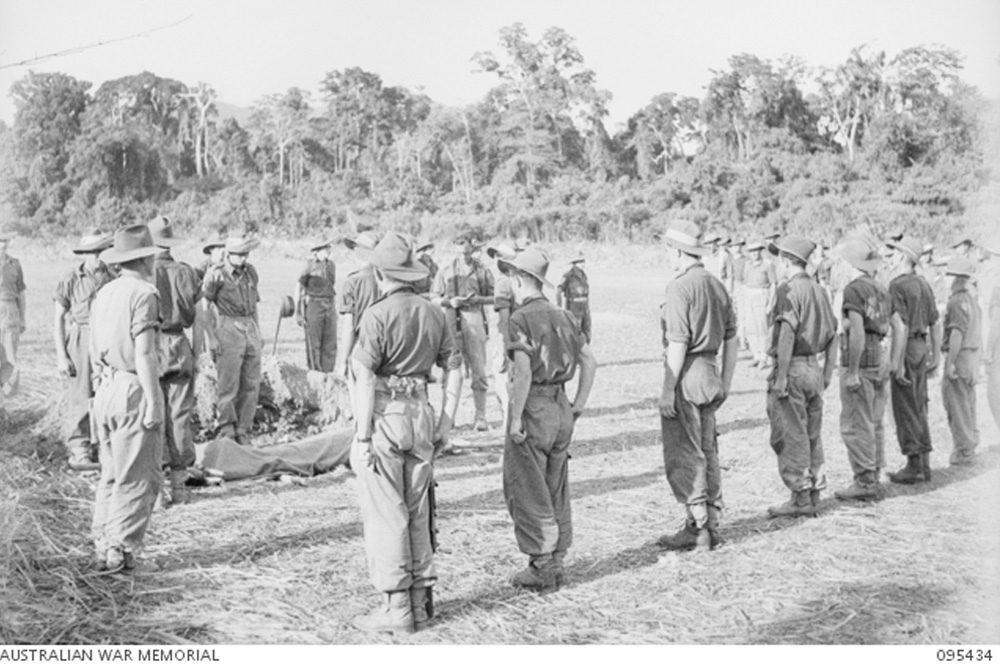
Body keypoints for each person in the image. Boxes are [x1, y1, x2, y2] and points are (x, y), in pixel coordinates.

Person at [349, 232, 462, 635]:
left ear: (381, 273)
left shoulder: (376, 315)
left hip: (385, 414)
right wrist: (446, 422)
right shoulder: (435, 313)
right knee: (418, 510)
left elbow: (363, 375)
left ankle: (397, 609)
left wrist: (362, 436)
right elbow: (455, 368)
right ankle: (420, 602)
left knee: (387, 513)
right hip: (422, 415)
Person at [499, 247, 596, 588]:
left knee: (527, 486)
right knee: (556, 485)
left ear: (518, 279)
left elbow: (522, 373)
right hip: (561, 406)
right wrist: (579, 403)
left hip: (534, 406)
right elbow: (590, 361)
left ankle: (541, 565)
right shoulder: (564, 315)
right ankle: (557, 559)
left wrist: (514, 421)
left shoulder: (520, 318)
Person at [655, 220, 737, 550]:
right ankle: (712, 522)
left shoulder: (679, 287)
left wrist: (666, 389)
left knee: (685, 453)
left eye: (668, 252)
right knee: (708, 450)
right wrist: (726, 381)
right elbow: (732, 339)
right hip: (711, 372)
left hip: (687, 373)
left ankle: (697, 526)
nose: (667, 258)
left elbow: (677, 343)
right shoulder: (716, 285)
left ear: (677, 251)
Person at [89, 224, 164, 572]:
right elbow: (145, 354)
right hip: (133, 387)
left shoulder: (104, 293)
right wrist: (154, 400)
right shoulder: (144, 294)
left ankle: (104, 542)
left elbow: (93, 350)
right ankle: (120, 549)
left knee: (111, 472)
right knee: (138, 475)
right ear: (146, 258)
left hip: (105, 388)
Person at [765, 236, 838, 518]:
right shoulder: (820, 291)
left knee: (791, 434)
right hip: (813, 369)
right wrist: (828, 371)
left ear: (785, 260)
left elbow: (786, 335)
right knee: (812, 434)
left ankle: (800, 497)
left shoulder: (788, 290)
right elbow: (833, 335)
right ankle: (814, 490)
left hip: (793, 367)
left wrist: (781, 376)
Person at [833, 239, 892, 502]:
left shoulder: (853, 290)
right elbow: (889, 326)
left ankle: (865, 480)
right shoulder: (881, 288)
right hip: (879, 355)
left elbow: (857, 330)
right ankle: (874, 472)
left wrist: (853, 371)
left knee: (856, 423)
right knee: (875, 421)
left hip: (862, 358)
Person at [53, 229, 114, 472]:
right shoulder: (71, 279)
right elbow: (58, 318)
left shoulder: (113, 276)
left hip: (107, 336)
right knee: (81, 394)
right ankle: (80, 448)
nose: (99, 256)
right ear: (85, 254)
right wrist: (61, 355)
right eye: (94, 252)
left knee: (107, 391)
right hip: (81, 336)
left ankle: (105, 445)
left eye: (102, 251)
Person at [149, 217, 201, 505]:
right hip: (180, 344)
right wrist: (198, 352)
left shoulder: (144, 273)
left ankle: (156, 491)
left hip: (152, 345)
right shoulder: (186, 272)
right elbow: (200, 317)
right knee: (180, 417)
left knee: (153, 416)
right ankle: (179, 487)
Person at [885, 236, 941, 484]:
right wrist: (936, 354)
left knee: (905, 407)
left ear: (901, 257)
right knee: (919, 404)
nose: (892, 257)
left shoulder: (897, 285)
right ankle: (924, 463)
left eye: (895, 252)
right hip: (921, 346)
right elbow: (934, 322)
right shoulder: (924, 284)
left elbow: (901, 326)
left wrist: (896, 365)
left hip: (906, 347)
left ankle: (914, 465)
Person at [431, 230, 495, 431]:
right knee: (450, 368)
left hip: (474, 318)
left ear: (472, 250)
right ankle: (449, 417)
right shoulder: (445, 271)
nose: (464, 257)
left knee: (479, 369)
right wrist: (449, 301)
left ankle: (481, 415)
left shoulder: (482, 270)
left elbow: (495, 296)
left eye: (467, 253)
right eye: (460, 253)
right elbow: (433, 297)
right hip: (451, 320)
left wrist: (479, 300)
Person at [202, 232, 262, 445]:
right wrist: (211, 337)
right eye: (239, 254)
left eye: (246, 254)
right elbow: (204, 307)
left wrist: (258, 334)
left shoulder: (251, 273)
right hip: (228, 326)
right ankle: (226, 430)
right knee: (228, 383)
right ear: (229, 254)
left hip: (249, 326)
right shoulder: (216, 274)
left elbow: (254, 304)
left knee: (251, 383)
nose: (244, 258)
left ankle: (243, 430)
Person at [941, 256, 982, 466]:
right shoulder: (972, 300)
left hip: (961, 355)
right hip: (972, 356)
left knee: (957, 405)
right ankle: (969, 445)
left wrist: (950, 363)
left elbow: (956, 334)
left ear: (956, 278)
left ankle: (964, 451)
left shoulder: (957, 301)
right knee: (968, 404)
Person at [335, 231, 381, 411]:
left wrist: (343, 361)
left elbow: (348, 327)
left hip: (363, 345)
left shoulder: (353, 281)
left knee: (360, 398)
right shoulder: (389, 278)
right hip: (390, 345)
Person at [486, 242, 520, 433]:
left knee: (503, 383)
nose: (497, 261)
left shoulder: (502, 282)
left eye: (500, 257)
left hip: (505, 336)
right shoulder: (521, 280)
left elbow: (504, 318)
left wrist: (507, 343)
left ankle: (508, 425)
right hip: (523, 337)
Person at [296, 239, 338, 372]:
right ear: (317, 251)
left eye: (329, 248)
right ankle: (315, 375)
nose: (328, 251)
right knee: (313, 344)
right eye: (325, 248)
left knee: (330, 344)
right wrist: (298, 313)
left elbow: (331, 286)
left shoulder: (331, 265)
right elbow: (299, 288)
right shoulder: (308, 265)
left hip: (330, 305)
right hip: (314, 305)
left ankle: (328, 376)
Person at [0, 230, 26, 396]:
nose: (2, 244)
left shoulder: (15, 264)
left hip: (10, 312)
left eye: (5, 241)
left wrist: (23, 319)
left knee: (10, 358)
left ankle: (5, 403)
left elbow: (21, 294)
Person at [743, 241, 777, 367]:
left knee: (763, 327)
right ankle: (756, 355)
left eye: (756, 250)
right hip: (749, 294)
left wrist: (770, 303)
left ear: (761, 251)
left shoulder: (768, 265)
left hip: (762, 294)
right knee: (751, 327)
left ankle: (764, 356)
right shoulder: (747, 265)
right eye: (752, 251)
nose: (754, 253)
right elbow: (745, 282)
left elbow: (773, 284)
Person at [193, 232, 226, 358]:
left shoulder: (228, 268)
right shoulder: (201, 269)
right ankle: (200, 357)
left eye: (224, 248)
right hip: (206, 308)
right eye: (219, 248)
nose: (222, 252)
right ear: (212, 250)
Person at [556, 252, 592, 343]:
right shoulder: (567, 276)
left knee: (587, 330)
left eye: (583, 262)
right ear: (575, 263)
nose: (583, 264)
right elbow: (558, 291)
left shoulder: (584, 275)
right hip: (573, 308)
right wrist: (559, 307)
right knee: (575, 331)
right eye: (580, 262)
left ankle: (586, 352)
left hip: (584, 307)